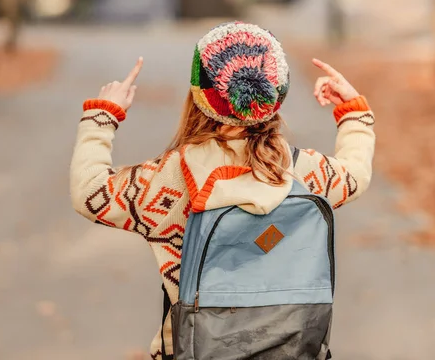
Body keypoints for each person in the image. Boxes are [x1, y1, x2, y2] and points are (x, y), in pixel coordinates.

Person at [70, 21, 375, 359]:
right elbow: (354, 175)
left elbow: (89, 192)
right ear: (275, 96)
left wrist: (103, 116)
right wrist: (353, 113)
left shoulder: (169, 178)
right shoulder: (299, 173)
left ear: (200, 96)